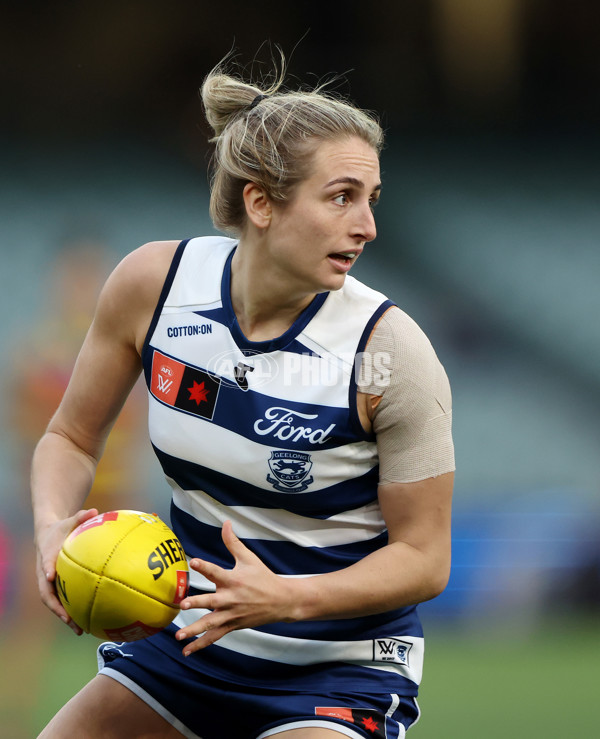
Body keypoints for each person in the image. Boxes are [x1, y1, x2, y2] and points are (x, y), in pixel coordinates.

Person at [32, 54, 455, 739]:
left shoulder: (392, 352)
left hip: (335, 666)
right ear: (260, 202)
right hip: (184, 647)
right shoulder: (153, 285)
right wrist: (54, 527)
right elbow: (71, 438)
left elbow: (425, 557)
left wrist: (288, 597)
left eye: (371, 199)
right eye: (342, 196)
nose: (368, 226)